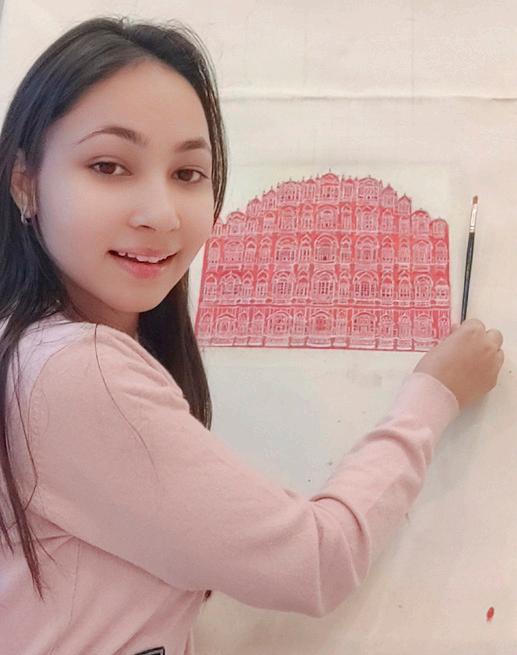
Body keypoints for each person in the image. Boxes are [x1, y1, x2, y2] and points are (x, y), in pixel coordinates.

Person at [0, 14, 503, 655]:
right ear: (25, 182)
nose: (161, 215)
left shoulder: (31, 347)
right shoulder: (75, 371)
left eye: (188, 174)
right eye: (109, 166)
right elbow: (317, 562)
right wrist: (434, 393)